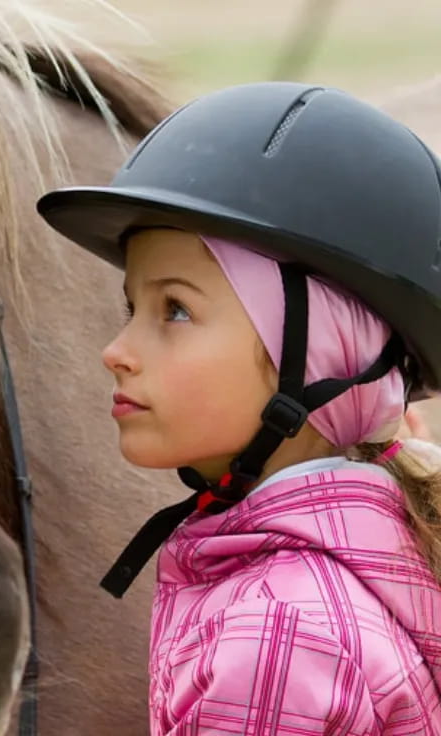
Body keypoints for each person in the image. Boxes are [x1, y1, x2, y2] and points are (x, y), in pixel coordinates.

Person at [36, 82, 441, 734]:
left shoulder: (277, 640)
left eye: (175, 309)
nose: (116, 351)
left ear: (318, 357)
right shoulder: (375, 556)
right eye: (130, 308)